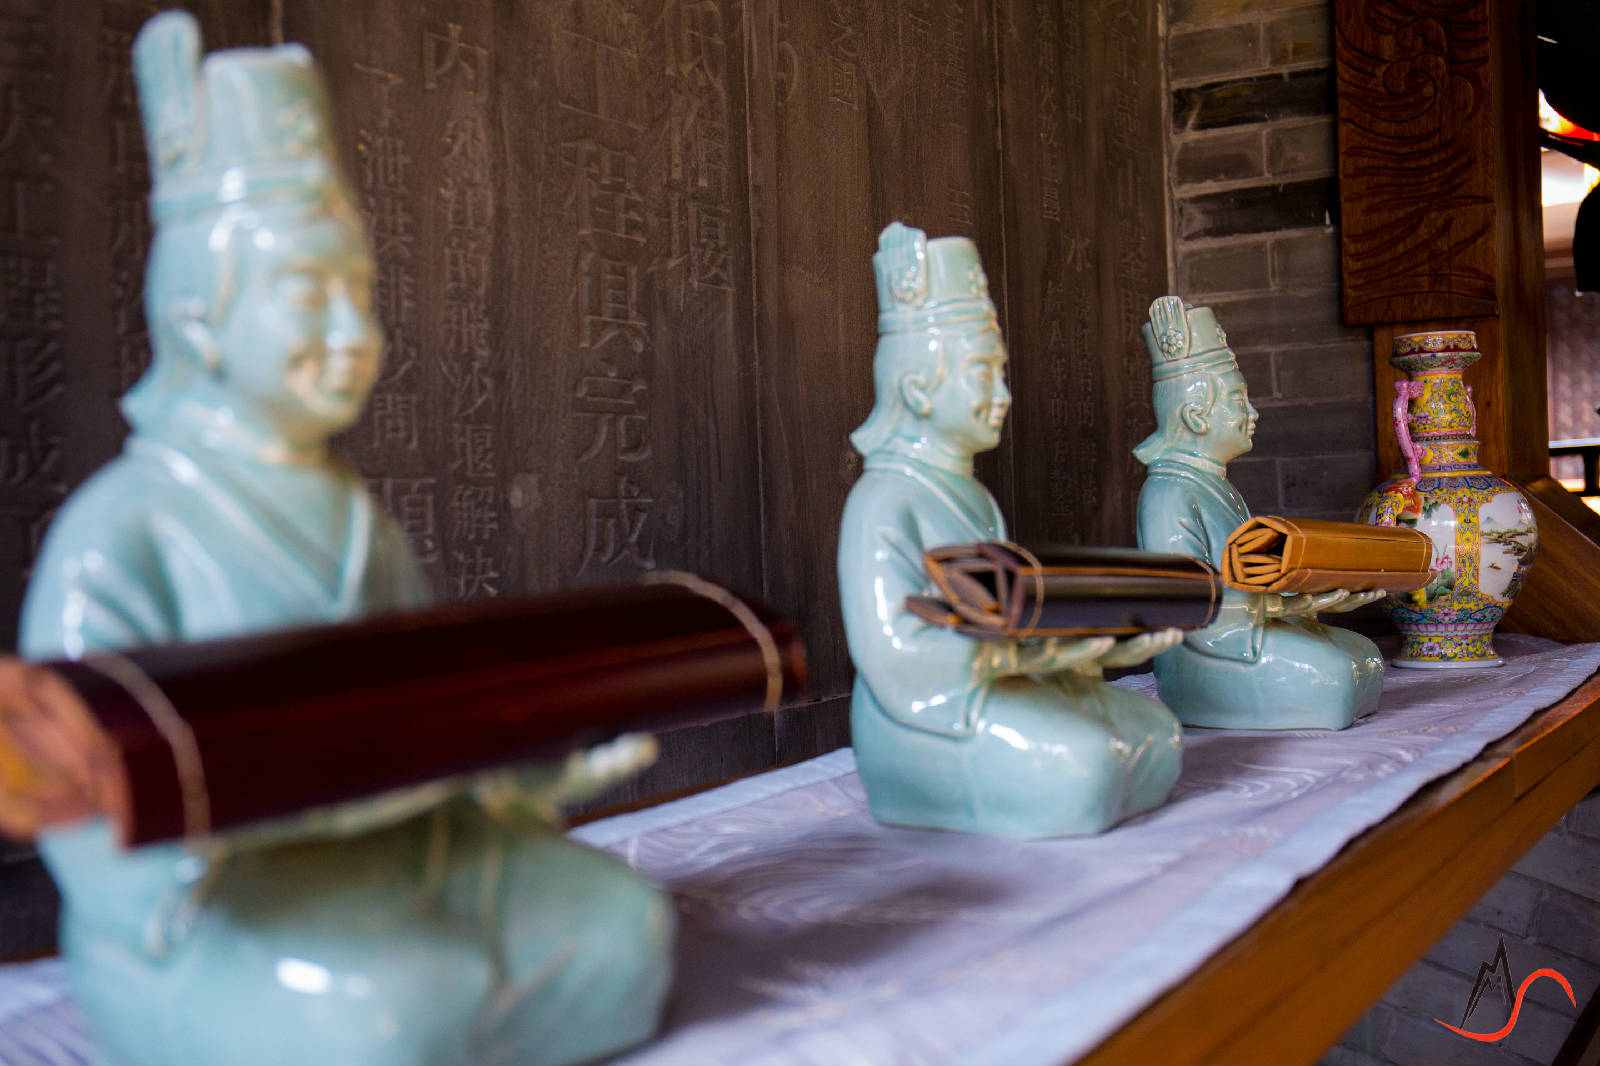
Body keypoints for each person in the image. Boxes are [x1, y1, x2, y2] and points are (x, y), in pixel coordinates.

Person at [19, 15, 669, 1064]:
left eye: (362, 293)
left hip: (400, 846)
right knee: (389, 1012)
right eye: (308, 296)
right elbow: (89, 816)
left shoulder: (358, 521)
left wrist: (515, 777)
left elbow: (429, 719)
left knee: (622, 928)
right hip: (229, 893)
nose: (352, 332)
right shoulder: (123, 529)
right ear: (198, 317)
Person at [837, 222, 1182, 838]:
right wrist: (1028, 651)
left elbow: (1013, 611)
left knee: (1158, 732)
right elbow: (895, 655)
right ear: (918, 388)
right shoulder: (882, 501)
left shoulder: (974, 498)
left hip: (1001, 683)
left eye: (1000, 374)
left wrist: (1096, 645)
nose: (1002, 394)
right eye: (983, 374)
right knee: (1084, 763)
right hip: (928, 715)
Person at [1134, 296, 1384, 730]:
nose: (1252, 413)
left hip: (1250, 630)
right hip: (1209, 653)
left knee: (1367, 656)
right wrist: (1284, 603)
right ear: (1196, 415)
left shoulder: (1219, 487)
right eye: (1238, 400)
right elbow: (1189, 603)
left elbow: (1250, 575)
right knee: (1335, 674)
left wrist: (1306, 594)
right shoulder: (1167, 493)